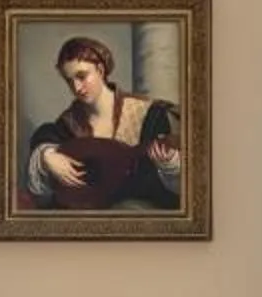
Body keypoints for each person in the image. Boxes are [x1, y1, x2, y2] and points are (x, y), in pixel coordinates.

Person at [19, 35, 183, 211]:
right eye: (69, 80)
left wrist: (169, 165)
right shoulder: (69, 123)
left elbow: (175, 193)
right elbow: (46, 139)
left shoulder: (151, 114)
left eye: (82, 76)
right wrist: (47, 156)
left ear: (100, 70)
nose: (77, 88)